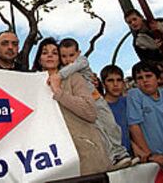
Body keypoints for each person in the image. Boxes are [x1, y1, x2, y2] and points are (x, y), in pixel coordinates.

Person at [33, 37, 111, 175]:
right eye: (45, 52)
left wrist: (59, 92)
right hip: (50, 162)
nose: (50, 55)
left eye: (54, 53)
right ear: (39, 59)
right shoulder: (31, 86)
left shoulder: (74, 78)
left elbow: (90, 112)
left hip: (87, 159)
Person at [57, 38, 133, 169]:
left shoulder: (81, 61)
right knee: (100, 131)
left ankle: (121, 153)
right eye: (63, 56)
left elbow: (72, 68)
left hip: (97, 100)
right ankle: (113, 157)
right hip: (86, 105)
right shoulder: (64, 70)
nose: (68, 59)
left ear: (78, 53)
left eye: (71, 55)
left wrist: (58, 76)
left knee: (111, 125)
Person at [101, 65, 132, 156]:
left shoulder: (128, 102)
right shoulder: (99, 107)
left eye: (119, 80)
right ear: (103, 84)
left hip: (132, 154)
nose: (115, 84)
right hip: (112, 157)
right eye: (110, 80)